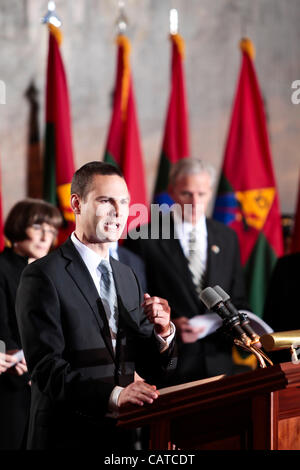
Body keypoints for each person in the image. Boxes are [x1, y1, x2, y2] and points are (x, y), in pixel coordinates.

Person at [16, 161, 176, 450]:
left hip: (123, 437)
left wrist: (163, 334)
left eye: (125, 202)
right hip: (65, 436)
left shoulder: (128, 275)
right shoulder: (42, 275)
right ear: (77, 203)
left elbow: (154, 368)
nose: (119, 211)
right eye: (106, 201)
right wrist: (114, 396)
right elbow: (45, 369)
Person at [125, 158, 252, 384]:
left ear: (211, 193)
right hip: (170, 367)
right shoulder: (144, 237)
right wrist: (169, 323)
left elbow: (239, 299)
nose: (195, 202)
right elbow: (131, 305)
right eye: (186, 193)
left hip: (220, 365)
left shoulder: (227, 237)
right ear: (172, 192)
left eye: (201, 194)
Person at [0, 198, 62, 450]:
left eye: (51, 230)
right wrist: (17, 357)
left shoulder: (53, 271)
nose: (45, 236)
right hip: (11, 382)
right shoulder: (2, 267)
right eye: (38, 227)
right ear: (19, 226)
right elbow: (1, 323)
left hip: (49, 383)